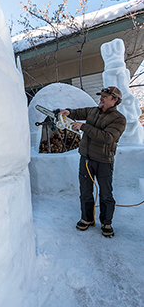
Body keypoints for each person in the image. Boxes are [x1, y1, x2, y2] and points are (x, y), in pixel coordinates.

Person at [60, 86, 126, 237]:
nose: (101, 98)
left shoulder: (119, 119)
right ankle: (87, 218)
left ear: (115, 100)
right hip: (86, 158)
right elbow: (80, 112)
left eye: (105, 97)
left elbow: (108, 137)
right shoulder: (94, 111)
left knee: (106, 194)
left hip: (103, 161)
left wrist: (84, 127)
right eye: (101, 96)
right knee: (85, 191)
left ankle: (106, 222)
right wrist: (69, 111)